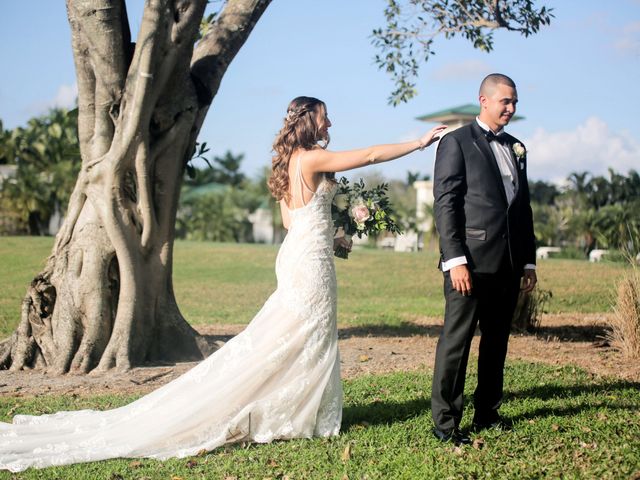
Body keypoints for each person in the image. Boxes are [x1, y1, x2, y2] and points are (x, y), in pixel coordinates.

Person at [0, 95, 446, 472]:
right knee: (299, 334)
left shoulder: (291, 162)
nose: (331, 122)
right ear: (309, 120)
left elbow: (294, 222)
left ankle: (297, 410)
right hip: (307, 263)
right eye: (325, 115)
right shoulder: (311, 158)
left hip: (300, 255)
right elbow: (368, 156)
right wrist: (420, 141)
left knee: (297, 335)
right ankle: (289, 413)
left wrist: (333, 236)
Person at [430, 74, 537, 446]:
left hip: (508, 265)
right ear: (484, 100)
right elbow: (446, 203)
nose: (511, 108)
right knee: (456, 342)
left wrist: (528, 261)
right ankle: (446, 424)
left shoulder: (518, 147)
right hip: (469, 264)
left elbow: (522, 209)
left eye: (515, 103)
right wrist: (454, 258)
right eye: (505, 102)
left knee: (496, 342)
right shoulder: (456, 142)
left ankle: (488, 412)